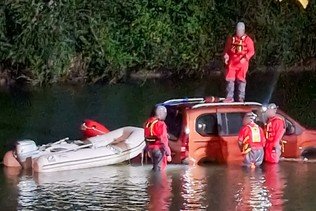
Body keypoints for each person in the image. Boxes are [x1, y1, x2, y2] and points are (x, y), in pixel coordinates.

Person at [223, 22, 255, 102]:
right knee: (230, 79)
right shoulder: (231, 39)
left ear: (243, 30)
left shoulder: (248, 40)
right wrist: (226, 56)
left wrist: (246, 57)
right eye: (237, 30)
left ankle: (241, 97)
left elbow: (251, 51)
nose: (239, 32)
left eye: (240, 31)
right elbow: (227, 50)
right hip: (232, 62)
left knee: (241, 80)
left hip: (242, 63)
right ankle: (229, 97)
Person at [144, 105, 172, 171]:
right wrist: (168, 154)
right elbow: (163, 140)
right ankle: (158, 181)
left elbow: (146, 137)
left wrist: (148, 150)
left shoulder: (147, 123)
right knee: (159, 169)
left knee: (155, 168)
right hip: (159, 150)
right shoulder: (161, 124)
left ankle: (153, 180)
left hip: (151, 150)